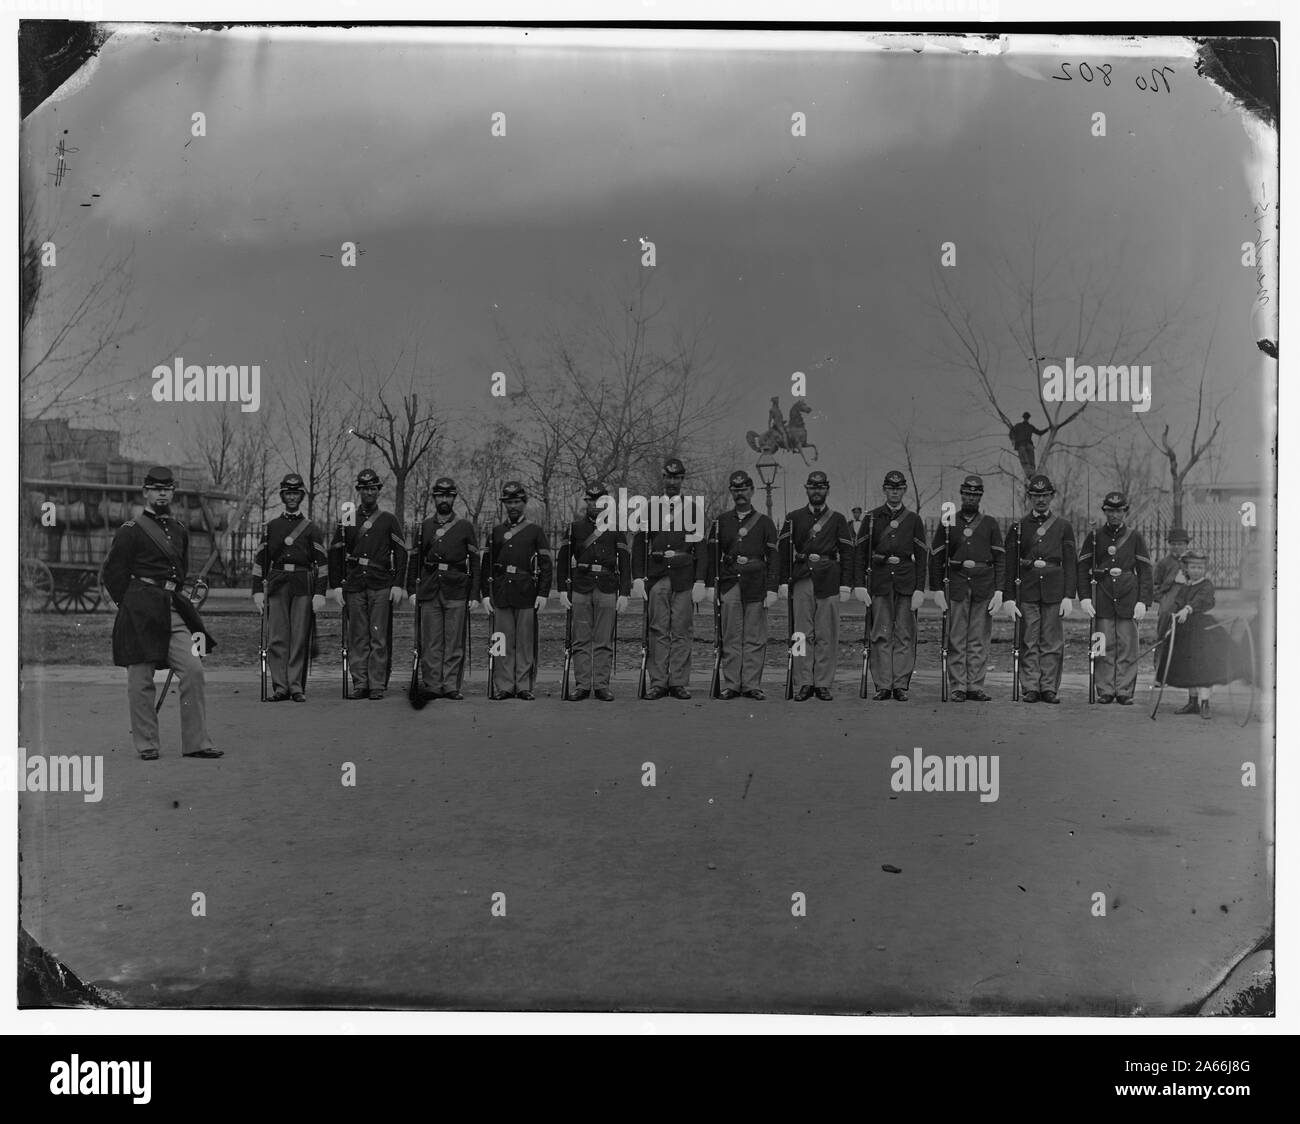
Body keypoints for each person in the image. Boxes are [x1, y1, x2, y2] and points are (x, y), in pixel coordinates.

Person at [102, 466, 223, 760]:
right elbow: (113, 575)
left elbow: (179, 571)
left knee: (193, 670)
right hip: (140, 609)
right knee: (140, 679)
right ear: (145, 492)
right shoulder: (130, 531)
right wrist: (130, 605)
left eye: (166, 489)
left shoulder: (180, 530)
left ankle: (196, 743)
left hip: (172, 606)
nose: (161, 493)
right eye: (156, 489)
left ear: (172, 492)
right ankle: (147, 745)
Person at [328, 468, 408, 700]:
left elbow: (401, 552)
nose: (369, 492)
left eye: (373, 488)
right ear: (359, 491)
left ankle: (377, 684)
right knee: (358, 636)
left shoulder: (388, 520)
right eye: (364, 488)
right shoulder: (349, 517)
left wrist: (397, 584)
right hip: (355, 585)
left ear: (378, 490)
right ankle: (360, 682)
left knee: (378, 636)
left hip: (381, 583)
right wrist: (337, 585)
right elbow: (336, 552)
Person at [631, 458, 707, 700]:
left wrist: (700, 580)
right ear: (662, 478)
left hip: (684, 577)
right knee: (658, 629)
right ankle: (658, 682)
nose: (672, 482)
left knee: (682, 630)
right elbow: (640, 545)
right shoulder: (650, 509)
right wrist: (637, 578)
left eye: (677, 478)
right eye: (668, 477)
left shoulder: (693, 509)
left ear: (682, 480)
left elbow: (701, 548)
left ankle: (679, 682)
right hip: (658, 575)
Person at [779, 470, 854, 701]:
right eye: (812, 487)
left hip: (829, 579)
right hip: (802, 578)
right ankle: (803, 682)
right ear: (806, 489)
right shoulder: (793, 517)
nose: (817, 491)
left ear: (827, 490)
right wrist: (783, 581)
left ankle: (823, 682)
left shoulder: (838, 519)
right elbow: (782, 552)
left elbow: (847, 553)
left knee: (827, 634)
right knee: (801, 634)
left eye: (821, 487)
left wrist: (845, 585)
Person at [252, 472, 328, 702]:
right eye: (288, 493)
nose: (292, 497)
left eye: (296, 493)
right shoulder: (271, 527)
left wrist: (319, 593)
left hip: (302, 584)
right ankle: (280, 686)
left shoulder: (311, 528)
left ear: (301, 496)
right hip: (277, 583)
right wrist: (256, 590)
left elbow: (322, 564)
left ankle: (296, 686)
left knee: (298, 637)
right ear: (282, 496)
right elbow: (260, 561)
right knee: (277, 636)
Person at [929, 474, 1005, 702]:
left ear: (980, 496)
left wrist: (999, 590)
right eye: (968, 493)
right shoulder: (949, 520)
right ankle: (958, 685)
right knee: (956, 637)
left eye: (976, 494)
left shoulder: (990, 523)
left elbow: (1000, 559)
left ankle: (975, 685)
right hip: (958, 583)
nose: (971, 498)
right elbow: (936, 557)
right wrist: (937, 589)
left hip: (983, 585)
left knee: (979, 638)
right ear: (961, 494)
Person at [854, 470, 928, 701]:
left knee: (905, 634)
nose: (894, 492)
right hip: (880, 580)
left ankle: (900, 685)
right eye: (890, 488)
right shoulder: (873, 518)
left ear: (904, 490)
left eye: (898, 488)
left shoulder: (913, 520)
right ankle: (883, 684)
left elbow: (922, 555)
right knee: (880, 634)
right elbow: (859, 554)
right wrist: (859, 585)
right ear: (884, 490)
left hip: (906, 580)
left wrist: (919, 588)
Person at [1003, 474, 1077, 704]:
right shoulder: (1019, 527)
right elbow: (1010, 564)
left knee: (1052, 642)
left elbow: (1071, 563)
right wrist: (1009, 597)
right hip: (1028, 590)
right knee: (1029, 639)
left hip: (1054, 591)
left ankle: (1048, 687)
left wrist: (1068, 596)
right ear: (1030, 497)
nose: (1041, 500)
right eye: (1036, 496)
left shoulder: (1063, 527)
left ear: (1052, 496)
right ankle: (1031, 687)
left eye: (1045, 495)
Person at [708, 470, 779, 699]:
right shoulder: (721, 522)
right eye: (736, 490)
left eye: (744, 489)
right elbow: (712, 556)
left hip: (756, 583)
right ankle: (731, 684)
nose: (740, 494)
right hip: (730, 583)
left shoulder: (765, 523)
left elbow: (774, 558)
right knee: (730, 635)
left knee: (754, 636)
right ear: (731, 492)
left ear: (752, 491)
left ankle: (751, 684)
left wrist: (772, 588)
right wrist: (711, 586)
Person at [1077, 491, 1154, 705]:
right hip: (1101, 597)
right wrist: (1084, 597)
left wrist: (1143, 601)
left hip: (1128, 598)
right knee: (1101, 646)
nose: (1114, 515)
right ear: (1104, 511)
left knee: (1128, 647)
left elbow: (1146, 570)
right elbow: (1083, 567)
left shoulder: (1135, 537)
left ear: (1125, 512)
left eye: (1119, 511)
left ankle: (1124, 690)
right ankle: (1105, 690)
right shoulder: (1094, 537)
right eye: (1110, 511)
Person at [407, 476, 479, 702]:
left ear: (454, 498)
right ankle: (433, 684)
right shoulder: (425, 526)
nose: (444, 499)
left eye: (448, 495)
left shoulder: (465, 526)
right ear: (434, 498)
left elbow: (475, 561)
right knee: (431, 641)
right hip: (430, 589)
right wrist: (411, 589)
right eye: (440, 495)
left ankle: (450, 685)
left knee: (454, 640)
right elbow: (415, 560)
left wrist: (474, 593)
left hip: (457, 589)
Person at [557, 483, 631, 701]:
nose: (596, 505)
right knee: (579, 639)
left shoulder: (616, 529)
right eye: (591, 501)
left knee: (604, 640)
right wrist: (562, 590)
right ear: (586, 502)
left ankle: (601, 685)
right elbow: (562, 561)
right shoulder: (574, 529)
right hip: (581, 586)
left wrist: (624, 592)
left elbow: (625, 562)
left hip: (608, 587)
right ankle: (582, 685)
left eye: (600, 501)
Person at [481, 480, 552, 700]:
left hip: (526, 592)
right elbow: (487, 565)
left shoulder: (535, 531)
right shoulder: (496, 532)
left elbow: (546, 564)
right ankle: (504, 685)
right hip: (501, 592)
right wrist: (484, 594)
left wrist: (542, 593)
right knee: (501, 641)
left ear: (524, 502)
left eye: (516, 502)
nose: (512, 506)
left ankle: (523, 686)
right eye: (508, 502)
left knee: (524, 642)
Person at [1166, 552, 1219, 719]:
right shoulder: (1185, 587)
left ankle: (1205, 703)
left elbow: (1201, 600)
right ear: (1187, 569)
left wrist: (1187, 609)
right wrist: (1173, 622)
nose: (1197, 570)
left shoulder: (1207, 585)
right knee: (1189, 666)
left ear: (1205, 569)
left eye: (1200, 567)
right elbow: (1177, 604)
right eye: (1193, 567)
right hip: (1186, 629)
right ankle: (1192, 701)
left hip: (1203, 629)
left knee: (1203, 665)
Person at [1152, 527, 1191, 683]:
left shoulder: (1192, 561)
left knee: (1188, 637)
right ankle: (1159, 675)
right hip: (1168, 603)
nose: (1177, 547)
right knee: (1163, 637)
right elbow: (1154, 586)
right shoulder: (1163, 563)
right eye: (1174, 544)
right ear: (1169, 545)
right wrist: (1163, 600)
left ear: (1186, 545)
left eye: (1181, 544)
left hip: (1187, 601)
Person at [1009, 412, 1047, 477]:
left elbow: (1011, 433)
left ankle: (1030, 475)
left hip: (1022, 445)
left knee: (1025, 462)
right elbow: (1039, 432)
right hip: (1029, 445)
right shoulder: (1030, 426)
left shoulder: (1018, 425)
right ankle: (1032, 474)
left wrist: (1013, 440)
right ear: (1028, 418)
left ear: (1023, 418)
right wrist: (1047, 429)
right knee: (1031, 462)